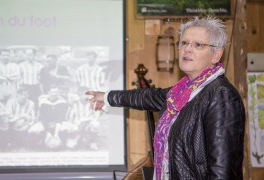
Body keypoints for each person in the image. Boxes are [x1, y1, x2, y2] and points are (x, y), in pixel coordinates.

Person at [86, 16, 246, 180]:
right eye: (184, 43)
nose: (187, 49)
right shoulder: (182, 92)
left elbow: (223, 172)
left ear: (216, 54)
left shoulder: (221, 95)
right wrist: (107, 97)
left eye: (198, 45)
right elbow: (147, 96)